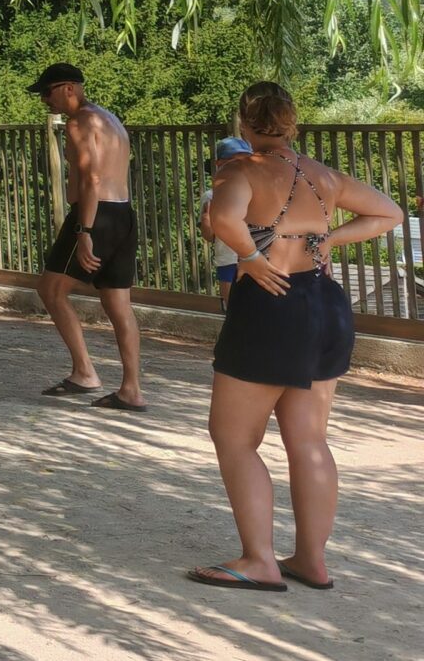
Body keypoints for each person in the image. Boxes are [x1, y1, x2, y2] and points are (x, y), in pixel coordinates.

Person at [189, 82, 404, 592]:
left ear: (244, 123)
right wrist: (330, 238)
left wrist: (250, 257)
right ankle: (311, 559)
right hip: (326, 305)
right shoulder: (323, 175)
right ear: (292, 123)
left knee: (234, 438)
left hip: (272, 305)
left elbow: (223, 219)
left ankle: (258, 561)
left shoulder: (240, 169)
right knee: (308, 440)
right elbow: (389, 213)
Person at [33, 63, 146, 410]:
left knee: (51, 290)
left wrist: (84, 230)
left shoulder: (79, 122)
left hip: (95, 215)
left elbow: (92, 178)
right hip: (123, 213)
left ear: (68, 88)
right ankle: (131, 390)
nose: (44, 100)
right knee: (118, 303)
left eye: (47, 92)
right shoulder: (109, 119)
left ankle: (85, 372)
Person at [203, 136, 253, 300]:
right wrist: (207, 220)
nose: (239, 166)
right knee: (232, 307)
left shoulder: (256, 191)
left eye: (245, 161)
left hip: (257, 258)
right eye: (233, 161)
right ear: (219, 164)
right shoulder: (211, 196)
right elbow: (209, 236)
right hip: (228, 260)